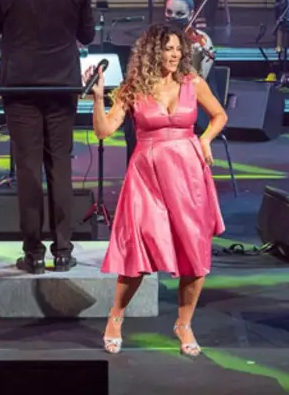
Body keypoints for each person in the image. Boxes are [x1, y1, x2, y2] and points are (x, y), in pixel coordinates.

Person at [88, 24, 227, 357]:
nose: (175, 54)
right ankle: (116, 317)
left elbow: (219, 115)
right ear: (153, 52)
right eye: (168, 48)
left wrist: (205, 139)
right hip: (146, 177)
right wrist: (97, 98)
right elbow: (104, 131)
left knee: (194, 253)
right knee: (139, 251)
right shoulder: (133, 88)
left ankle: (184, 324)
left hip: (188, 175)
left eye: (178, 49)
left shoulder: (193, 83)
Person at [0, 0, 96, 274]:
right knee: (59, 165)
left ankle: (33, 254)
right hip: (62, 85)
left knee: (28, 168)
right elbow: (87, 34)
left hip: (21, 86)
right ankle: (63, 251)